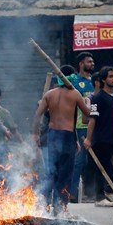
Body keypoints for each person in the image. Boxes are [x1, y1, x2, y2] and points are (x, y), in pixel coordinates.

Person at [32, 66, 90, 213]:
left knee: (52, 172)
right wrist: (88, 101)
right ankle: (60, 207)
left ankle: (44, 204)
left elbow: (37, 115)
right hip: (66, 136)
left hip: (53, 135)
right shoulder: (75, 94)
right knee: (65, 174)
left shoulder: (50, 94)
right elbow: (87, 115)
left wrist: (35, 134)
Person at [84, 66, 113, 207]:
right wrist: (89, 139)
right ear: (103, 79)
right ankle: (99, 197)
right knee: (101, 168)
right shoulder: (97, 98)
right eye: (110, 76)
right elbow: (92, 120)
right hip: (102, 138)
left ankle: (110, 188)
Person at [70, 52, 95, 202]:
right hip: (80, 126)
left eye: (92, 61)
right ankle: (72, 193)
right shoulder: (75, 82)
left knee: (93, 161)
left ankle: (92, 193)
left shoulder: (95, 81)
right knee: (79, 160)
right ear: (81, 64)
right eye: (89, 61)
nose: (92, 64)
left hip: (95, 125)